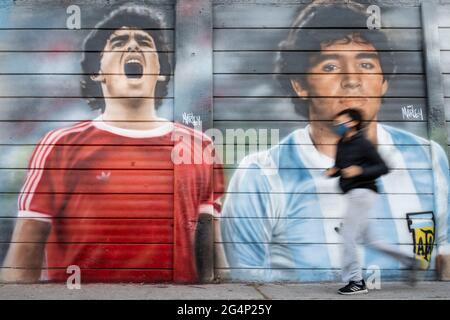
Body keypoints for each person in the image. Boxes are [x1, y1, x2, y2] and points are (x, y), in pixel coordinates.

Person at [220, 0, 449, 283]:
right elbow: (246, 279)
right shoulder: (261, 175)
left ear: (384, 81)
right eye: (330, 66)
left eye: (366, 63)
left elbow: (445, 249)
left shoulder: (427, 157)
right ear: (300, 84)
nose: (352, 79)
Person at [0, 5, 223, 283]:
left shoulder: (200, 147)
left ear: (163, 70)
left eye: (144, 42)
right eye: (118, 42)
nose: (132, 47)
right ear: (97, 71)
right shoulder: (60, 146)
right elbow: (21, 264)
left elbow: (212, 266)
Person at [327, 108, 422, 295]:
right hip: (353, 193)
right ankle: (410, 261)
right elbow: (342, 166)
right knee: (373, 241)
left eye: (341, 121)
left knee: (348, 236)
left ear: (353, 122)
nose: (337, 125)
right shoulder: (341, 143)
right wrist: (334, 171)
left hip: (362, 192)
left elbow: (383, 167)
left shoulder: (363, 143)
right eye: (336, 122)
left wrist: (359, 171)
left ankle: (356, 281)